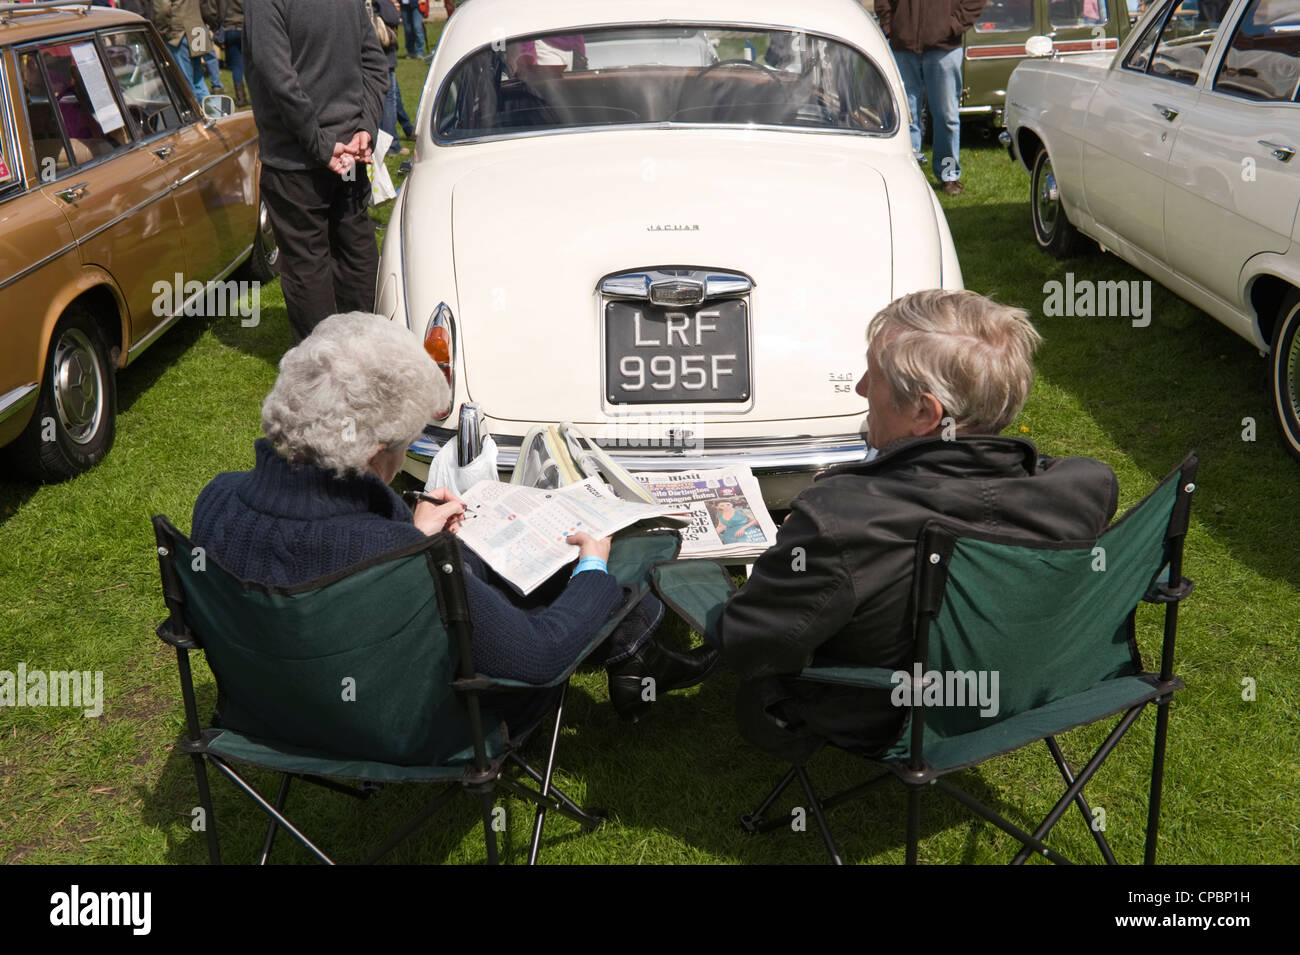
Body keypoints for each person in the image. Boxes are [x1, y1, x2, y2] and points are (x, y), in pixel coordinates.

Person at [191, 313, 715, 725]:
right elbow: (537, 660)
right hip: (411, 725)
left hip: (271, 713)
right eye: (404, 442)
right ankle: (634, 640)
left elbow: (317, 559)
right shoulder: (401, 562)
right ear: (376, 450)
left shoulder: (215, 500)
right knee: (600, 575)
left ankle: (634, 644)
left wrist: (408, 530)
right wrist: (594, 567)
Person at [715, 290, 1120, 763]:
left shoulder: (842, 519)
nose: (861, 387)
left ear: (926, 414)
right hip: (1033, 694)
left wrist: (791, 548)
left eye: (876, 376)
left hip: (887, 716)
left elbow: (751, 643)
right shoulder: (1083, 489)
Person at [244, 0, 388, 343]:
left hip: (312, 159)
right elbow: (281, 79)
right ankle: (355, 353)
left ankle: (340, 360)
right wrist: (354, 132)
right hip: (327, 153)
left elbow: (280, 80)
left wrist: (359, 130)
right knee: (350, 251)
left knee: (329, 259)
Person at [874, 0, 986, 195]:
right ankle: (909, 172)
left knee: (947, 117)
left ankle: (949, 174)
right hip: (903, 47)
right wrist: (890, 26)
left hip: (944, 49)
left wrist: (954, 25)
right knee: (906, 116)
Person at [152, 0, 219, 102]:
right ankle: (211, 113)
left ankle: (198, 114)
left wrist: (162, 32)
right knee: (198, 79)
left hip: (179, 32)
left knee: (186, 84)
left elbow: (162, 10)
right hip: (197, 28)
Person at [371, 0, 410, 157]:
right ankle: (391, 145)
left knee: (393, 96)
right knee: (388, 100)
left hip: (372, 55)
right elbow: (392, 17)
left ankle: (408, 129)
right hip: (384, 56)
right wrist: (394, 7)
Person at [219, 0, 247, 109]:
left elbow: (214, 11)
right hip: (244, 26)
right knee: (253, 64)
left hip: (229, 28)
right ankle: (256, 95)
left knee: (236, 65)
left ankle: (241, 98)